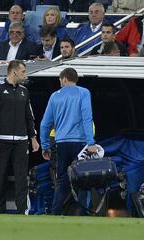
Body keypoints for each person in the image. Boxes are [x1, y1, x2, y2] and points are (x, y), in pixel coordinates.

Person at [0, 60, 40, 214]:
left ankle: (22, 211)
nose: (25, 75)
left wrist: (33, 137)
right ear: (14, 72)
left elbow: (29, 116)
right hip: (1, 141)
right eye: (23, 72)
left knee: (22, 179)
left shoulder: (24, 91)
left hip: (21, 142)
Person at [40, 67, 98, 215]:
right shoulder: (84, 93)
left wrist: (45, 146)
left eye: (60, 79)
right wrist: (90, 143)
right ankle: (85, 213)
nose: (59, 82)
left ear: (65, 79)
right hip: (80, 143)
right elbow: (87, 117)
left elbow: (45, 124)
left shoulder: (54, 96)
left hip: (61, 144)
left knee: (61, 180)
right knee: (84, 178)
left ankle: (56, 211)